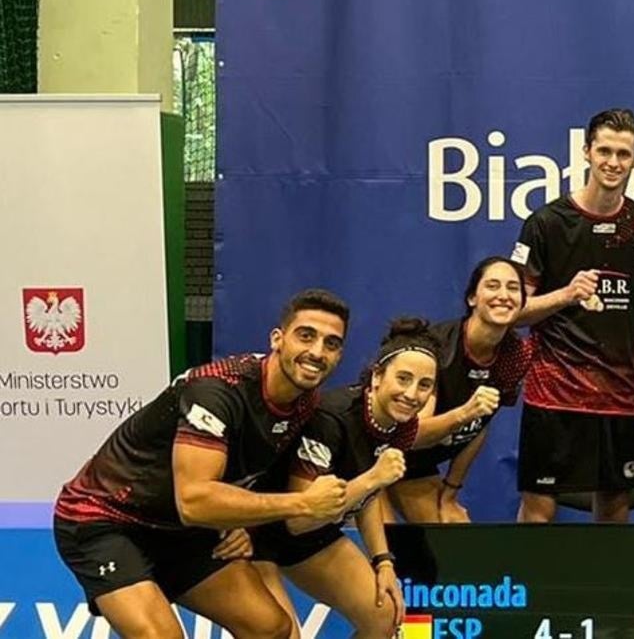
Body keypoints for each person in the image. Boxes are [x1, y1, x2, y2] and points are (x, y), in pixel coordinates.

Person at [52, 289, 353, 639]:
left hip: (181, 529)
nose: (317, 352)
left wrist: (244, 523)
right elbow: (195, 501)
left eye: (331, 344)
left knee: (270, 629)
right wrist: (302, 503)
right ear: (277, 339)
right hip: (106, 519)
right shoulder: (217, 390)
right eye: (306, 336)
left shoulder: (306, 404)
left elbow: (260, 472)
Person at [251, 317, 501, 638]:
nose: (412, 394)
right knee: (283, 634)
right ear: (378, 377)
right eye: (403, 379)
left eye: (424, 385)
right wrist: (373, 478)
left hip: (311, 538)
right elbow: (300, 520)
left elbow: (367, 498)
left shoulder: (401, 425)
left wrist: (383, 562)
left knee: (384, 616)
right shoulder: (331, 419)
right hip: (261, 533)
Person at [511, 108, 634, 523]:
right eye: (604, 151)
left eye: (623, 154)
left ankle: (609, 588)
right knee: (539, 509)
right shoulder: (544, 223)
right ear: (586, 152)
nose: (613, 163)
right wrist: (565, 294)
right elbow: (514, 312)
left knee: (614, 507)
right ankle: (531, 587)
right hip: (552, 392)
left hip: (616, 394)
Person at [386, 257, 533, 522]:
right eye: (492, 285)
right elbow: (410, 434)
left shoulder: (516, 354)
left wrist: (450, 492)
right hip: (371, 453)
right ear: (472, 299)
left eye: (513, 288)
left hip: (415, 465)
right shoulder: (434, 348)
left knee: (452, 534)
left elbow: (479, 426)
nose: (503, 295)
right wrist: (465, 413)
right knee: (384, 550)